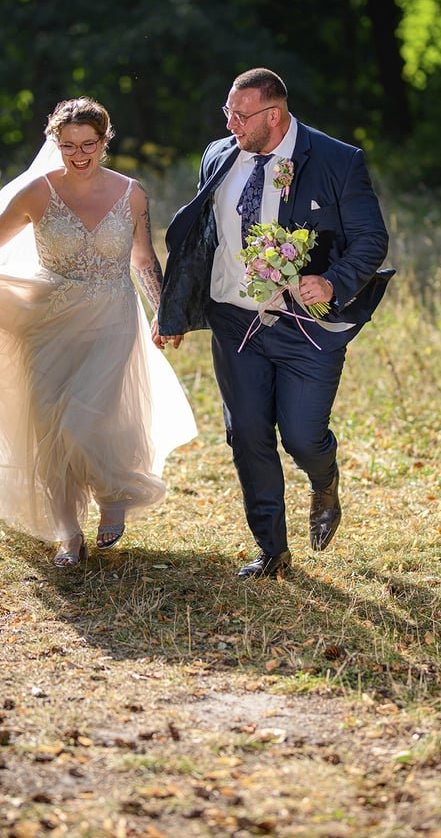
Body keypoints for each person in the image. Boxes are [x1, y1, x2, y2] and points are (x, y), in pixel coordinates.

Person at [0, 96, 196, 568]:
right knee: (49, 428)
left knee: (89, 421)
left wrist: (165, 313)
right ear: (55, 142)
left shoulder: (132, 194)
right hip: (48, 320)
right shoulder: (36, 192)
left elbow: (143, 259)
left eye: (89, 143)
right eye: (68, 145)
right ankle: (68, 532)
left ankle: (113, 497)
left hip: (111, 317)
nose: (79, 154)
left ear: (106, 140)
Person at [155, 68, 392, 578]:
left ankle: (324, 482)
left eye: (241, 116)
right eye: (227, 113)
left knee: (303, 437)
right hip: (234, 320)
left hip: (305, 324)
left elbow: (371, 239)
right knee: (248, 436)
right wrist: (174, 310)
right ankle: (272, 551)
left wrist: (332, 281)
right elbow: (202, 241)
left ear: (274, 115)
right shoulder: (219, 156)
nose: (231, 124)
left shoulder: (337, 160)